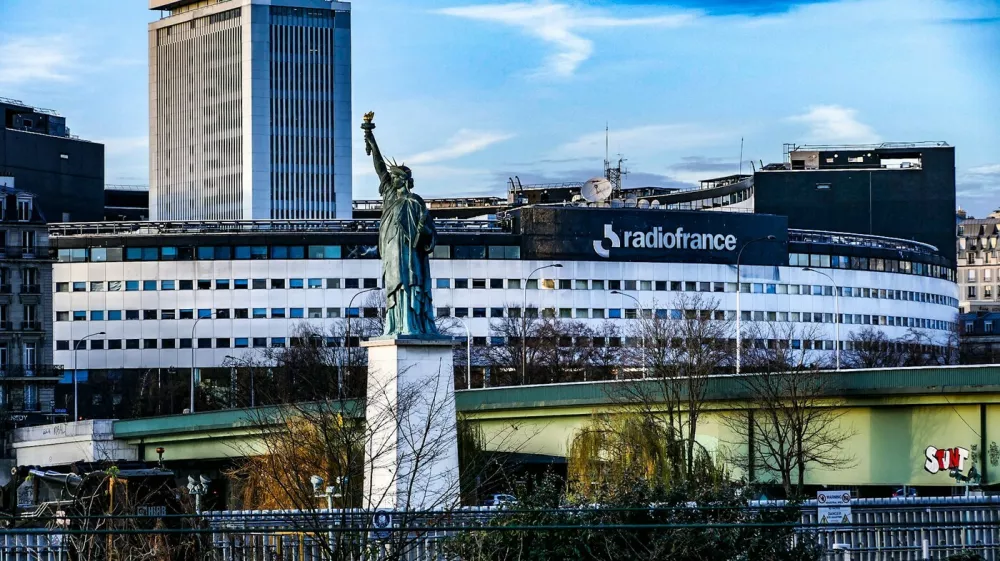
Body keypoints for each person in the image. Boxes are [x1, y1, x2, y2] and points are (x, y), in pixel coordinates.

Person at [363, 117, 439, 337]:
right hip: (391, 253)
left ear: (404, 180)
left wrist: (423, 232)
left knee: (410, 286)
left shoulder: (415, 202)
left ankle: (412, 325)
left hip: (409, 255)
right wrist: (369, 136)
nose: (391, 179)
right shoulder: (389, 196)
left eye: (396, 177)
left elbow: (429, 235)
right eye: (392, 177)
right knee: (394, 289)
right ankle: (397, 325)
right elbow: (379, 167)